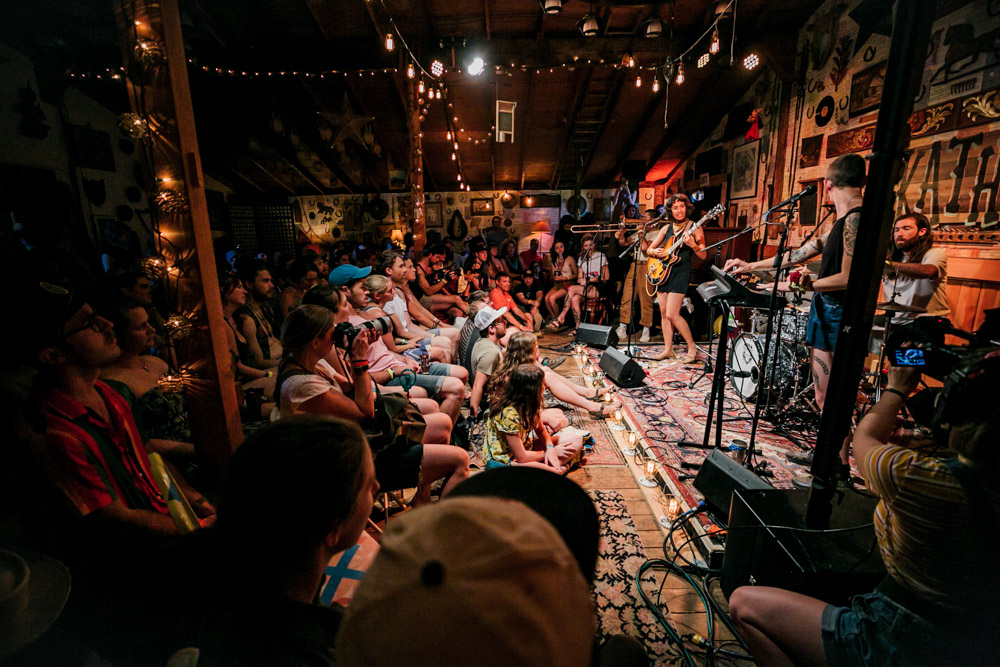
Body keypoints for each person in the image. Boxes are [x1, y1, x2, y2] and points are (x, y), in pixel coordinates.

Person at [729, 359, 1000, 667]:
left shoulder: (917, 477)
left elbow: (864, 441)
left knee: (744, 604)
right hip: (978, 641)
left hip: (899, 637)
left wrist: (896, 388)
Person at [724, 153, 865, 472]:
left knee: (829, 395)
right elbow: (798, 254)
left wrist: (798, 287)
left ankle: (834, 461)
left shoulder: (856, 219)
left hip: (836, 312)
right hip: (828, 309)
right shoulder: (845, 221)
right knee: (826, 395)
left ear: (827, 184)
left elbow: (847, 278)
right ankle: (833, 459)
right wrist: (751, 265)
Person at [204, 416, 378, 666]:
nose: (378, 486)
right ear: (333, 530)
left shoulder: (225, 580)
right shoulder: (308, 654)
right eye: (368, 487)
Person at [275, 305, 466, 505]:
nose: (335, 341)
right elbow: (364, 412)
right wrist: (359, 359)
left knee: (443, 423)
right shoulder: (302, 386)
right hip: (345, 464)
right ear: (315, 342)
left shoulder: (313, 365)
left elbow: (352, 388)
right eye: (332, 335)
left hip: (355, 440)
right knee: (460, 459)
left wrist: (356, 353)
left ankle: (422, 501)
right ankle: (440, 524)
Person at [329, 266, 468, 426]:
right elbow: (397, 339)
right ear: (378, 295)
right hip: (404, 353)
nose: (393, 294)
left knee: (441, 349)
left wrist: (434, 329)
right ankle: (444, 414)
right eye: (390, 291)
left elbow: (415, 317)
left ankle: (437, 388)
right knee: (438, 349)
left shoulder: (397, 296)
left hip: (404, 354)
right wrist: (416, 341)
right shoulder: (375, 315)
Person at [100, 296, 195, 454]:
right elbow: (139, 441)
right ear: (117, 335)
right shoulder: (111, 382)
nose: (152, 330)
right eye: (141, 327)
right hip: (173, 456)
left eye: (149, 323)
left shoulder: (154, 362)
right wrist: (197, 450)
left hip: (201, 438)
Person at [490, 331, 615, 421]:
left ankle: (588, 393)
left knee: (546, 370)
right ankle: (592, 406)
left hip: (521, 408)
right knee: (547, 377)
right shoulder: (516, 373)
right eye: (535, 346)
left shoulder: (514, 362)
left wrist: (536, 360)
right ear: (525, 352)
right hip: (515, 414)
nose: (538, 348)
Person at [484, 364, 582, 472]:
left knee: (576, 440)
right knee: (554, 472)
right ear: (532, 390)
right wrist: (550, 452)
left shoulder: (530, 403)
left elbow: (540, 430)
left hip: (526, 447)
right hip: (507, 461)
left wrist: (550, 448)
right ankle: (558, 468)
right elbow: (521, 457)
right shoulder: (508, 414)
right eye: (542, 384)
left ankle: (550, 467)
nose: (545, 385)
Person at [646, 194, 705, 363]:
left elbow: (703, 254)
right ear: (670, 211)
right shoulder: (666, 228)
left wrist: (692, 245)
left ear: (687, 208)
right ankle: (668, 349)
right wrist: (654, 252)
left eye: (682, 206)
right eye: (675, 207)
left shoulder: (694, 227)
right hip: (664, 273)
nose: (679, 210)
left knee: (672, 313)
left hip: (680, 272)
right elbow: (650, 249)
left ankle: (692, 347)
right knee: (664, 313)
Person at [374, 251, 457, 360]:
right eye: (401, 266)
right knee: (444, 342)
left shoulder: (399, 291)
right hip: (403, 342)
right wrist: (432, 334)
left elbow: (409, 325)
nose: (405, 270)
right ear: (389, 270)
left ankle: (449, 368)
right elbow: (401, 331)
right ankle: (444, 372)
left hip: (410, 335)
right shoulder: (386, 297)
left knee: (452, 334)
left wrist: (432, 334)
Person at [363, 274, 451, 364]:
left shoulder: (374, 310)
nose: (394, 292)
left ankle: (428, 372)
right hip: (393, 357)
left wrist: (405, 341)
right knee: (439, 352)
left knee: (436, 357)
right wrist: (409, 344)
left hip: (397, 349)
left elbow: (389, 340)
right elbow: (393, 348)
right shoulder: (379, 315)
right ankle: (427, 374)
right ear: (377, 296)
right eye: (390, 291)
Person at [882, 212, 950, 320]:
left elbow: (928, 271)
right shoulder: (891, 257)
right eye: (896, 230)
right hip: (897, 319)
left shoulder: (935, 253)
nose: (899, 233)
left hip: (926, 320)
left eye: (906, 228)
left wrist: (888, 265)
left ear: (922, 231)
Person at [615, 209, 660, 343]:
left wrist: (641, 232)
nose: (641, 220)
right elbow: (624, 243)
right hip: (634, 265)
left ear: (653, 221)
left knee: (646, 300)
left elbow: (646, 248)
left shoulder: (657, 234)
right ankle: (623, 326)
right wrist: (622, 234)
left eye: (644, 218)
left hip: (648, 266)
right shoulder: (641, 233)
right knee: (627, 296)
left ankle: (646, 328)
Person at [547, 234, 608, 333]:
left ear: (594, 245)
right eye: (586, 245)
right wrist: (582, 280)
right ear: (583, 247)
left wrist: (588, 280)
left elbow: (606, 277)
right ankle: (577, 327)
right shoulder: (581, 259)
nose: (589, 247)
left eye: (591, 245)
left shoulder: (600, 256)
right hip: (585, 289)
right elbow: (579, 277)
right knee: (574, 299)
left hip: (597, 288)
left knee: (571, 289)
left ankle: (561, 317)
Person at [236, 260, 282, 370]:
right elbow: (258, 363)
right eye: (266, 281)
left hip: (279, 363)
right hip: (268, 371)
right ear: (249, 284)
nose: (271, 285)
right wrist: (287, 364)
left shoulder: (266, 308)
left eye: (271, 280)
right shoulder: (247, 318)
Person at [469, 306, 508, 419]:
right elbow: (478, 385)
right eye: (501, 321)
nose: (505, 322)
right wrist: (473, 416)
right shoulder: (490, 352)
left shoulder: (485, 342)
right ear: (491, 329)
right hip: (496, 401)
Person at [412, 244, 466, 320]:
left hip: (432, 298)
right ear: (430, 255)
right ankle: (474, 317)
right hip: (422, 300)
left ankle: (459, 331)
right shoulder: (419, 270)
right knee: (456, 299)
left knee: (457, 312)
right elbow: (428, 291)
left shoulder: (432, 267)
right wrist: (445, 280)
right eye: (437, 257)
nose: (438, 260)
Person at [276, 257, 320, 327]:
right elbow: (288, 322)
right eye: (308, 280)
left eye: (314, 279)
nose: (312, 283)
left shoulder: (306, 291)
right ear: (297, 277)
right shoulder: (288, 296)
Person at [541, 239, 578, 321]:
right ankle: (553, 317)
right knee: (546, 298)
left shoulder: (570, 259)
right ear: (554, 250)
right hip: (558, 284)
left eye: (561, 247)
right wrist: (560, 265)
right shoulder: (554, 260)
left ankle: (559, 319)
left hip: (568, 283)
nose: (560, 249)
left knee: (552, 298)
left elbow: (576, 275)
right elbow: (555, 274)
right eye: (557, 248)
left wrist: (565, 277)